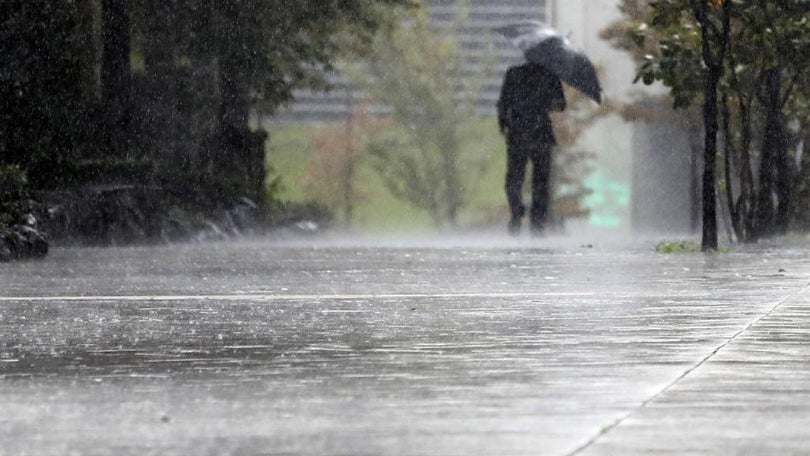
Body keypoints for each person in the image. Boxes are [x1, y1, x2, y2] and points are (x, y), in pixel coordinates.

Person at [497, 62, 566, 236]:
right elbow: (560, 104)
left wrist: (504, 124)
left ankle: (517, 210)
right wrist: (544, 101)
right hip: (541, 134)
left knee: (514, 179)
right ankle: (537, 222)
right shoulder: (549, 74)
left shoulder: (513, 73)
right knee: (541, 182)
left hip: (518, 133)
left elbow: (503, 103)